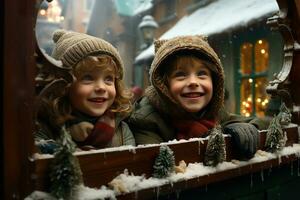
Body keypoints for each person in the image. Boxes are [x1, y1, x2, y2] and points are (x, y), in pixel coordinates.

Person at [127, 35, 269, 159]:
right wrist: (218, 136)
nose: (193, 82)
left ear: (215, 82)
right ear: (163, 86)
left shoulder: (214, 112)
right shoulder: (146, 120)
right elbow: (162, 165)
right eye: (180, 75)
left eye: (202, 74)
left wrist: (244, 127)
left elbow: (264, 123)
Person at [35, 29, 135, 154]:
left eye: (108, 79)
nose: (101, 87)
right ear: (63, 84)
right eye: (88, 78)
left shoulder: (121, 130)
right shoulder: (45, 127)